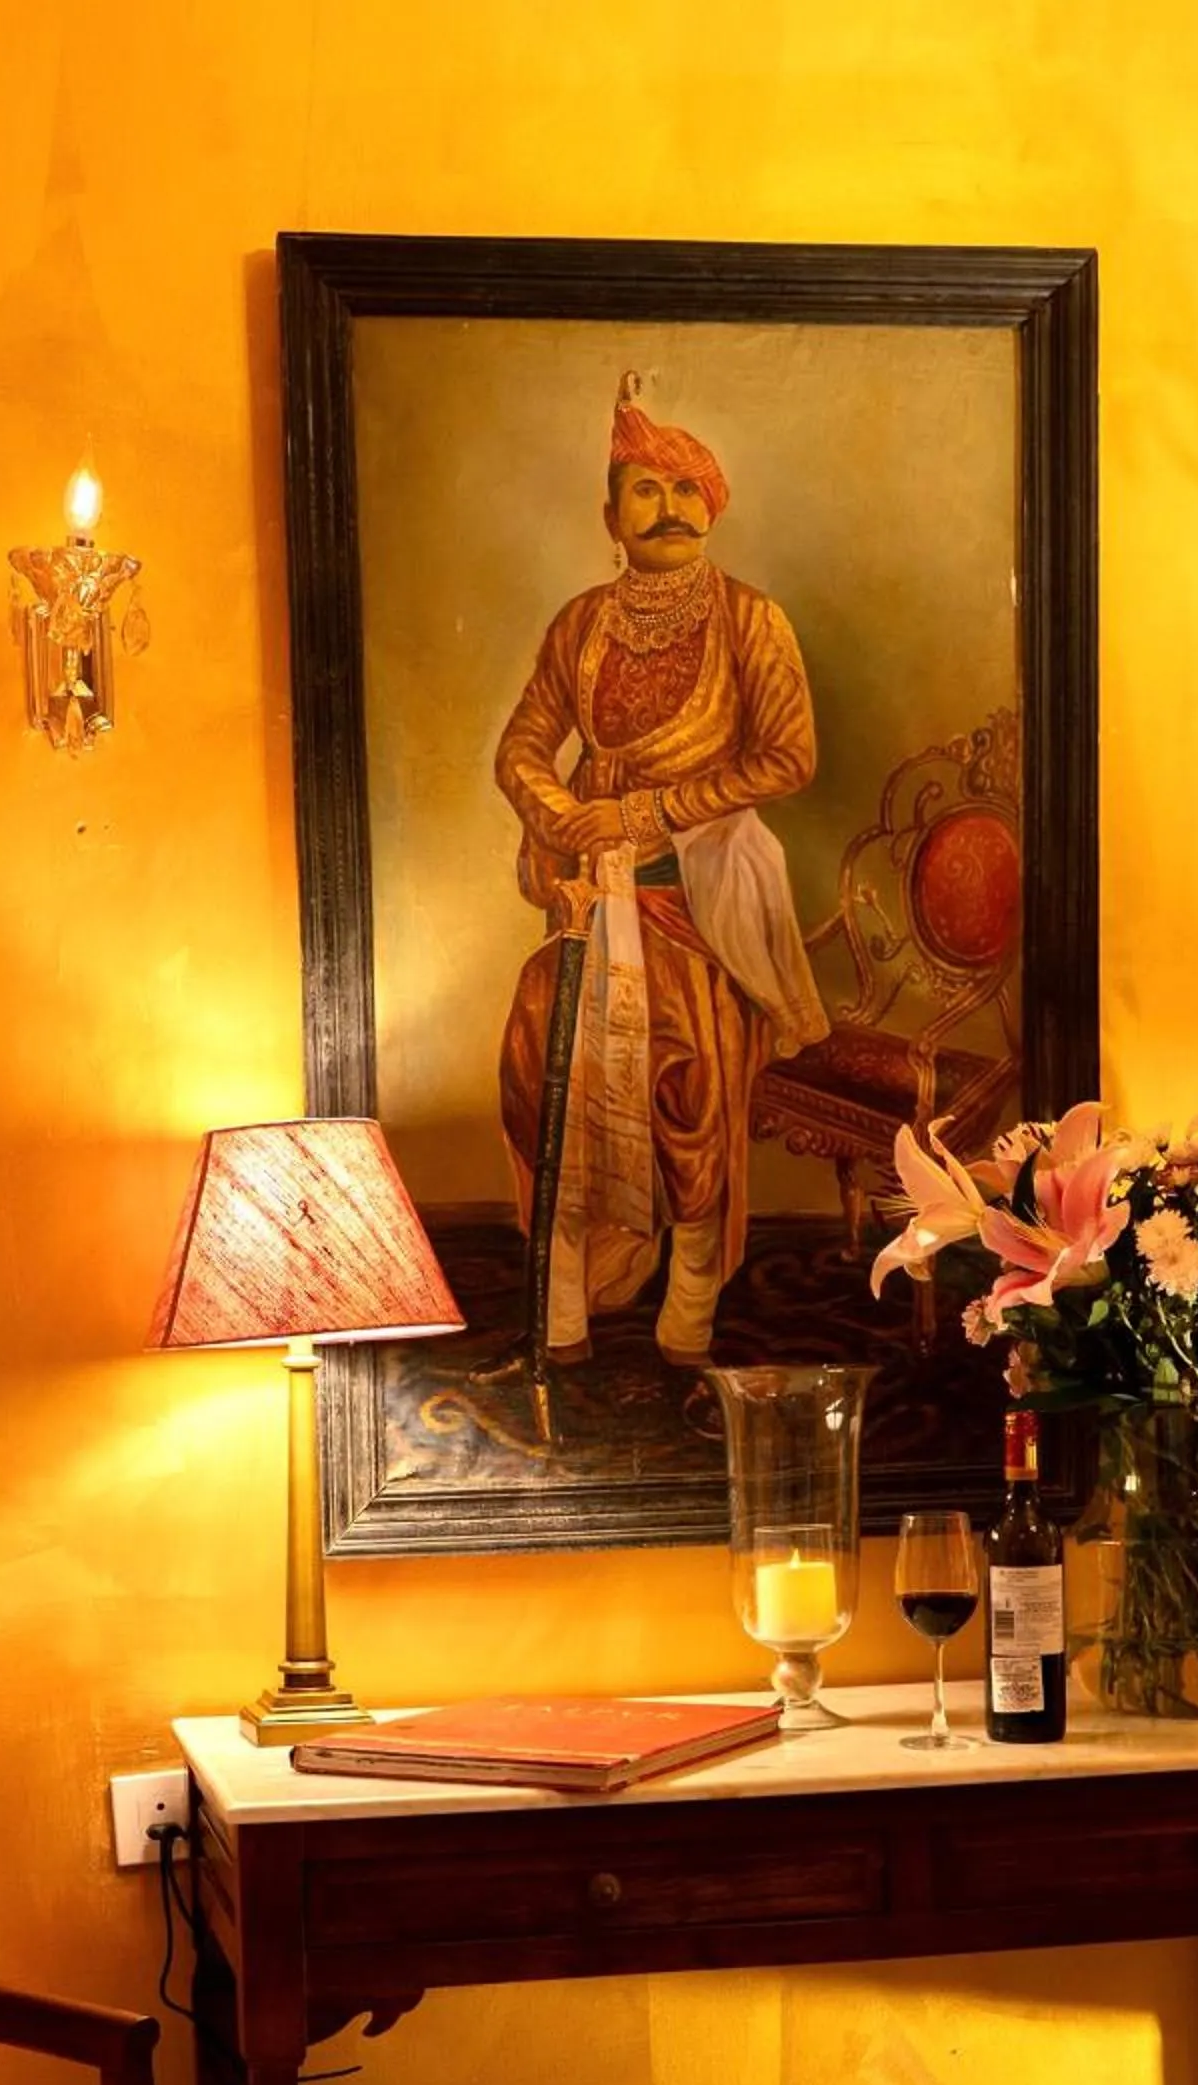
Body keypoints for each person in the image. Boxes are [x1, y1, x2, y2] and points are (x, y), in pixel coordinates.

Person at [492, 375, 827, 1369]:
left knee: (688, 1097)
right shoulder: (579, 625)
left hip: (699, 908)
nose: (670, 507)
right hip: (588, 907)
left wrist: (653, 813)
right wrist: (569, 822)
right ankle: (561, 1310)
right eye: (646, 488)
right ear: (611, 514)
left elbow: (790, 758)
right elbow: (519, 748)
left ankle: (687, 1315)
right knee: (537, 1077)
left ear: (711, 506)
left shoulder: (750, 622)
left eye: (687, 489)